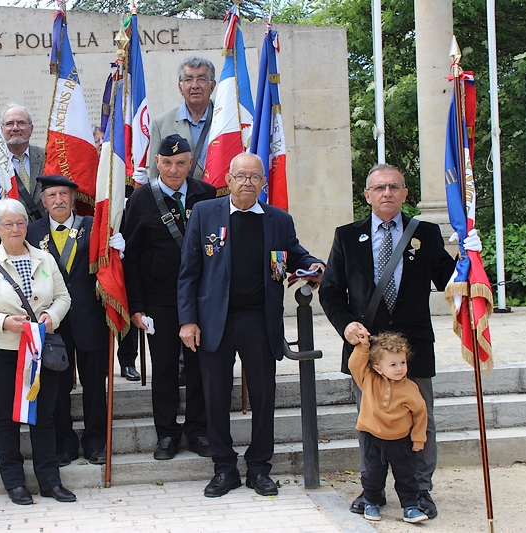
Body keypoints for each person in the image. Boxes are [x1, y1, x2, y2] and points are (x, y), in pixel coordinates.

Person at [319, 162, 482, 519]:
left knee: (421, 418)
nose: (387, 193)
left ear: (405, 193)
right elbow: (330, 292)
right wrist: (346, 326)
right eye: (379, 188)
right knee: (371, 423)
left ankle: (419, 491)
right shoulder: (347, 236)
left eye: (394, 187)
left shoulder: (424, 232)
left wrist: (468, 257)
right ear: (367, 195)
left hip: (414, 348)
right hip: (368, 350)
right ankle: (372, 491)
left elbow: (448, 281)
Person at [178, 152, 324, 498]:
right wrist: (188, 321)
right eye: (240, 176)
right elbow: (188, 272)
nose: (246, 183)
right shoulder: (204, 214)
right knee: (215, 396)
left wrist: (315, 265)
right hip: (215, 320)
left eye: (254, 177)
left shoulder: (278, 220)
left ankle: (259, 468)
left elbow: (296, 254)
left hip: (259, 319)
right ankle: (224, 468)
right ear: (227, 180)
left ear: (263, 183)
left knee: (262, 394)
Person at [0, 198, 74, 505]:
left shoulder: (45, 259)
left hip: (42, 351)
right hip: (1, 353)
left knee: (45, 417)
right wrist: (3, 323)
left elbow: (63, 297)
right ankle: (14, 483)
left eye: (21, 223)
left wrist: (52, 317)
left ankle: (50, 481)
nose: (15, 229)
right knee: (6, 417)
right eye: (8, 224)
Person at [124, 134, 216, 461]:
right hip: (159, 301)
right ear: (157, 163)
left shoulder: (207, 195)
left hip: (201, 300)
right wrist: (136, 307)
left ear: (190, 163)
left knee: (199, 367)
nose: (173, 170)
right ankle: (166, 434)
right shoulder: (140, 200)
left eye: (180, 163)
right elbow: (130, 258)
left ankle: (199, 430)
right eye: (166, 163)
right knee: (163, 369)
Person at [27, 175, 122, 466]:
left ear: (73, 198)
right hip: (51, 321)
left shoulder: (93, 227)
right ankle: (64, 443)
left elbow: (109, 267)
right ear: (43, 200)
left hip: (89, 317)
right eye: (52, 195)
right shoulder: (31, 232)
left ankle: (95, 442)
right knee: (56, 386)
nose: (58, 200)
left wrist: (119, 249)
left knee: (95, 385)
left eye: (63, 194)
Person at [348, 331, 429, 524]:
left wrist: (418, 438)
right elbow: (354, 364)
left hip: (400, 440)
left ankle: (410, 507)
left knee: (405, 474)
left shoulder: (410, 388)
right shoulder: (368, 380)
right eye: (393, 365)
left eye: (403, 363)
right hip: (372, 437)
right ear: (378, 367)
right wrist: (363, 346)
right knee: (372, 473)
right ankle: (371, 501)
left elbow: (420, 413)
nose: (400, 368)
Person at [148, 56, 216, 183]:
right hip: (181, 200)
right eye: (188, 80)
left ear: (212, 86)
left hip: (220, 199)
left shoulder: (226, 119)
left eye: (201, 79)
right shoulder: (162, 123)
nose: (195, 86)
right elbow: (154, 175)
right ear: (180, 87)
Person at [1, 104, 46, 222]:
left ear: (31, 128)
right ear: (2, 129)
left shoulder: (46, 157)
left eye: (21, 123)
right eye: (9, 123)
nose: (15, 128)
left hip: (43, 233)